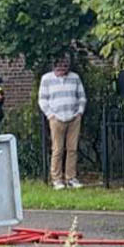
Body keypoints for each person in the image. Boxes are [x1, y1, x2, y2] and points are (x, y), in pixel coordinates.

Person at [39, 55, 87, 189]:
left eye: (65, 66)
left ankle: (71, 178)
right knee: (57, 149)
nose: (62, 69)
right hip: (56, 118)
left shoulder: (75, 78)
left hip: (73, 117)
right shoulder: (46, 79)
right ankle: (57, 179)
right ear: (54, 66)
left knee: (72, 149)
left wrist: (80, 112)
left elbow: (82, 97)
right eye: (59, 66)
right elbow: (42, 99)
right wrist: (50, 115)